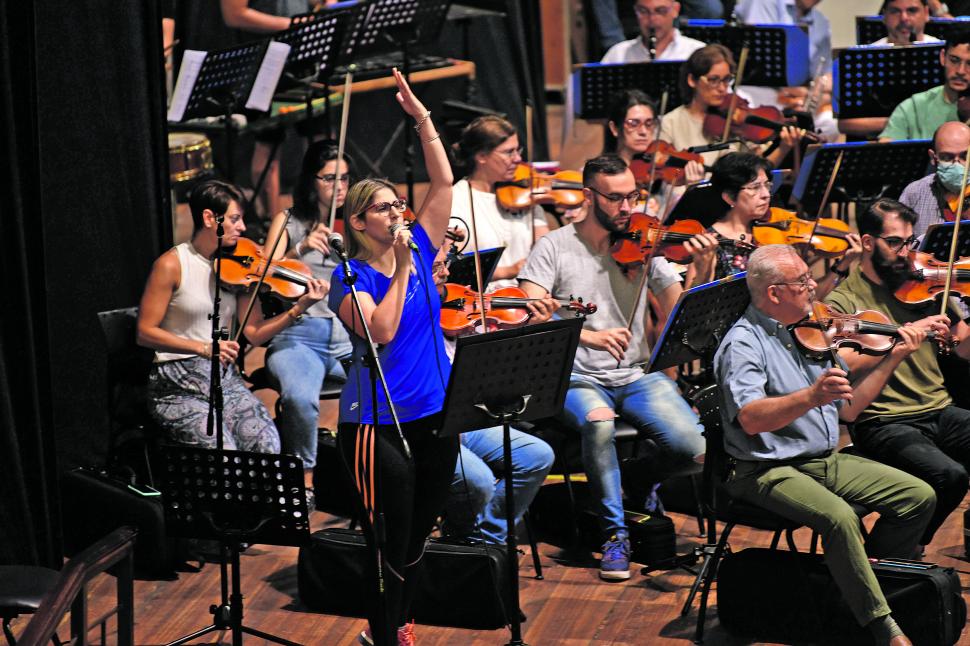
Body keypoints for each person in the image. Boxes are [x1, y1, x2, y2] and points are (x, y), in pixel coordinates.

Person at [715, 243, 935, 646]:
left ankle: (860, 587)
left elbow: (850, 411)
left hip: (820, 459)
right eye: (801, 281)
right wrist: (811, 397)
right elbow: (750, 418)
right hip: (764, 469)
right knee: (840, 519)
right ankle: (880, 628)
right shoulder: (743, 344)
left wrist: (895, 355)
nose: (814, 287)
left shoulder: (808, 328)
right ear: (774, 293)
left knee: (917, 496)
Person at [518, 154, 707, 581]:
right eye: (616, 198)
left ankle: (638, 480)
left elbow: (680, 315)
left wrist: (702, 266)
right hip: (575, 377)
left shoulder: (643, 243)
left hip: (636, 375)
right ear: (589, 196)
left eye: (633, 196)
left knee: (695, 450)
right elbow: (529, 314)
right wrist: (585, 334)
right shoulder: (555, 246)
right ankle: (613, 534)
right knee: (600, 423)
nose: (627, 208)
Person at [328, 69, 456, 646]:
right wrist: (405, 268)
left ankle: (398, 625)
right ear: (358, 222)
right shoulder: (349, 275)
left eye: (396, 204)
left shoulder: (422, 242)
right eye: (381, 208)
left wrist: (422, 119)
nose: (395, 212)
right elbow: (379, 332)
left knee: (421, 531)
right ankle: (384, 632)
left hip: (435, 408)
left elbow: (445, 180)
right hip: (377, 424)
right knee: (389, 534)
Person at [137, 179, 329, 452]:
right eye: (235, 219)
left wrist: (298, 308)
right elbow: (145, 332)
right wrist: (203, 347)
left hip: (224, 379)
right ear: (208, 218)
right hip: (176, 384)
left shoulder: (238, 269)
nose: (242, 228)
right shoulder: (172, 264)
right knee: (222, 449)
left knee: (267, 443)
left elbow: (253, 332)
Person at [824, 197, 970, 550]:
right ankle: (892, 554)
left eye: (910, 242)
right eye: (894, 242)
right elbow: (841, 366)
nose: (906, 253)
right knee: (950, 477)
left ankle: (906, 551)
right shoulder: (845, 300)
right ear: (868, 243)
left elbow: (962, 348)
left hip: (938, 409)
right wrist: (897, 337)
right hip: (883, 421)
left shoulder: (926, 287)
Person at [431, 246, 556, 545]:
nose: (447, 274)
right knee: (480, 481)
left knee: (538, 456)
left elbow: (503, 375)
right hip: (431, 427)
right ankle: (463, 538)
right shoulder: (410, 315)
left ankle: (489, 539)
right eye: (437, 267)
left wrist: (530, 329)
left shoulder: (465, 317)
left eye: (445, 264)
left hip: (467, 420)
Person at [261, 140, 354, 498]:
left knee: (391, 388)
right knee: (300, 399)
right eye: (330, 178)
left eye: (345, 178)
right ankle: (305, 485)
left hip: (350, 336)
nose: (340, 187)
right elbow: (261, 274)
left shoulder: (359, 222)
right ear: (311, 180)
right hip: (299, 336)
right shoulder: (289, 220)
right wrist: (298, 249)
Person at [692, 152, 862, 295]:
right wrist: (703, 270)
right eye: (755, 187)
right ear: (729, 196)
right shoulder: (707, 243)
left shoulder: (778, 234)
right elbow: (689, 305)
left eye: (767, 185)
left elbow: (809, 298)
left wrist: (843, 264)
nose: (766, 194)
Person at [658, 45, 801, 169]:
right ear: (692, 80)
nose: (722, 88)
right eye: (713, 80)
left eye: (727, 80)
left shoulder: (736, 120)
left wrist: (784, 148)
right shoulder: (670, 122)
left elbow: (759, 173)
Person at [450, 115, 550, 289]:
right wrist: (509, 271)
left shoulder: (525, 194)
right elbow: (452, 269)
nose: (518, 159)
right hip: (481, 304)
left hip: (529, 297)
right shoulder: (455, 202)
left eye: (518, 150)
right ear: (481, 156)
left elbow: (545, 251)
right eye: (508, 152)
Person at [604, 89, 705, 217]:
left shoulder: (664, 180)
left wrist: (691, 191)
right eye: (633, 123)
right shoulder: (600, 173)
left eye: (649, 123)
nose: (643, 131)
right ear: (614, 128)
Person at [878, 30, 970, 141]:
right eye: (954, 60)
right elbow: (887, 150)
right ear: (942, 57)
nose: (960, 71)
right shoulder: (913, 107)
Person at [899, 121, 970, 238]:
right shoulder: (914, 192)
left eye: (965, 156)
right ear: (933, 157)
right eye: (947, 157)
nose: (958, 164)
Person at [601, 0, 706, 64]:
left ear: (675, 10)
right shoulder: (618, 54)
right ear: (635, 11)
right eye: (643, 11)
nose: (652, 19)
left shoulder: (697, 52)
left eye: (660, 11)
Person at [872, 0, 940, 46]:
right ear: (884, 16)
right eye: (895, 11)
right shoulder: (868, 53)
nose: (903, 18)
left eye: (912, 10)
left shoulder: (942, 51)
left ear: (926, 13)